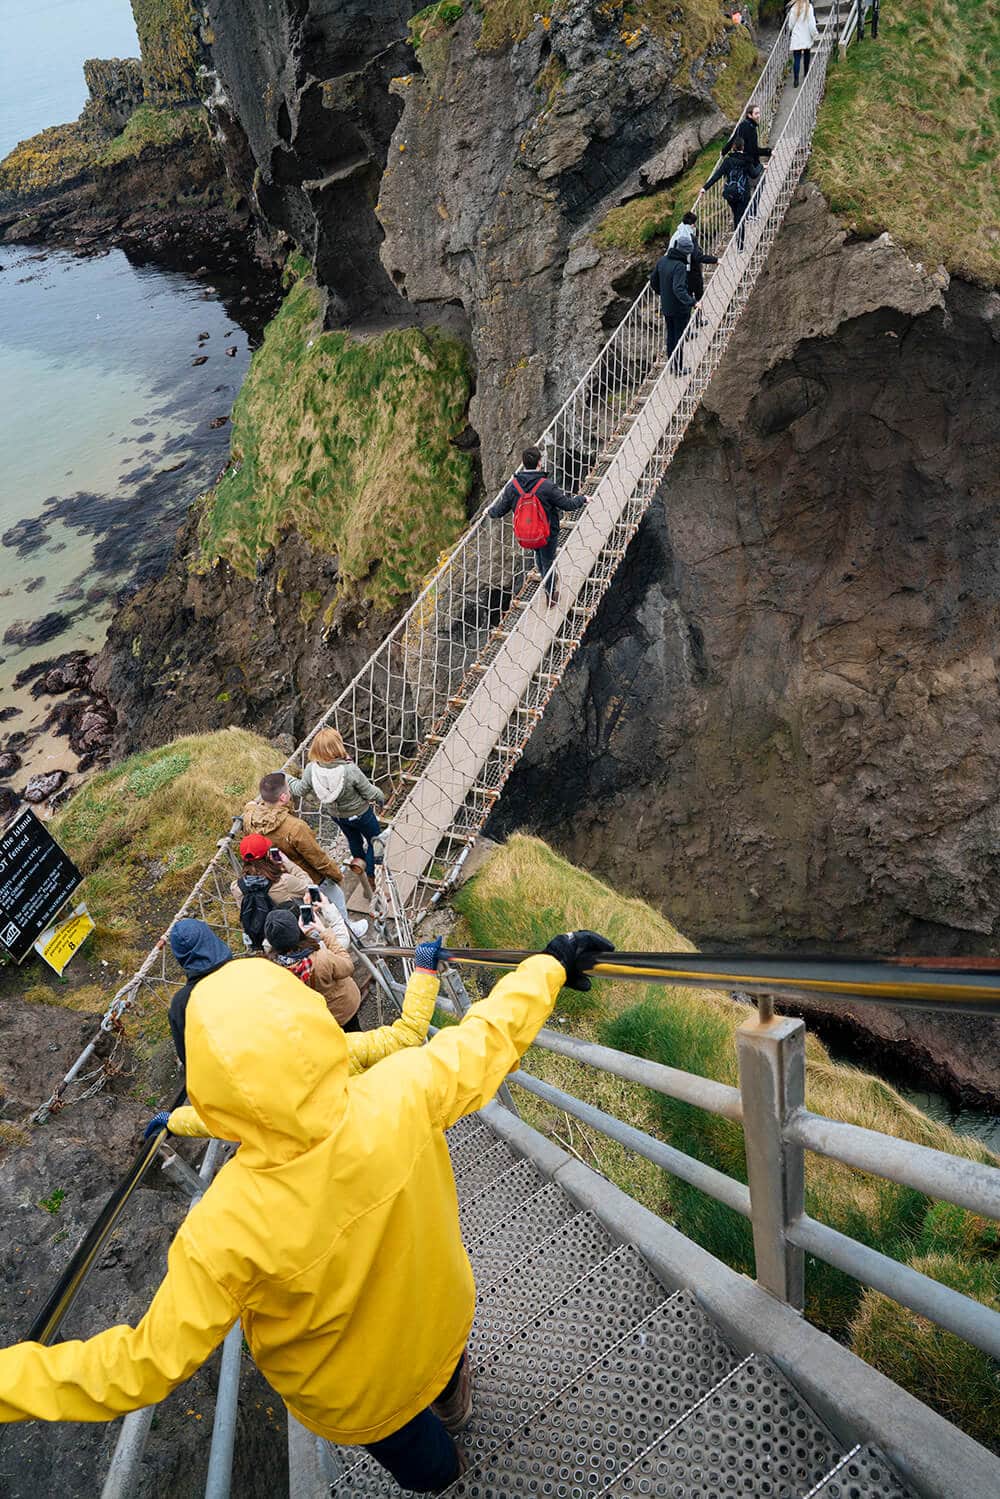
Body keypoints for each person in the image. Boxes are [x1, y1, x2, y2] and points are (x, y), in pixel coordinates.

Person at [0, 928, 615, 1494]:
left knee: (430, 1469)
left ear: (206, 1084)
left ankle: (451, 1477)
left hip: (359, 1398)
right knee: (447, 1372)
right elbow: (489, 1036)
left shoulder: (223, 1230)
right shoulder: (405, 1090)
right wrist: (550, 964)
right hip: (439, 1316)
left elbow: (140, 1368)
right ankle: (456, 1401)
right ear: (305, 1018)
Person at [157, 958, 439, 1140]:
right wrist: (425, 972)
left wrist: (172, 1121)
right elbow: (407, 1035)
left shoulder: (254, 1106)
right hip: (378, 1132)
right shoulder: (341, 1048)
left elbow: (215, 1122)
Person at [242, 772, 349, 919]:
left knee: (306, 911)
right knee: (337, 899)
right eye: (288, 789)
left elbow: (249, 808)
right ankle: (348, 931)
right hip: (312, 878)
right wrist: (336, 875)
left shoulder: (251, 818)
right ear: (284, 797)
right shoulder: (295, 827)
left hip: (280, 879)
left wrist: (251, 805)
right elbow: (317, 858)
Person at [488, 447, 587, 606]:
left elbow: (500, 510)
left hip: (527, 534)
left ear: (523, 464)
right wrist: (582, 499)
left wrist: (488, 512)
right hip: (547, 533)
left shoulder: (513, 487)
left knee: (540, 557)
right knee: (547, 561)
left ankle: (548, 578)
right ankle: (551, 594)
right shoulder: (546, 486)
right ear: (540, 463)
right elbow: (567, 505)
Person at [229, 833, 365, 948]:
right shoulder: (283, 881)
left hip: (268, 936)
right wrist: (287, 862)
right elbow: (309, 885)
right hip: (296, 932)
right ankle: (347, 931)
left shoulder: (236, 887)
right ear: (267, 854)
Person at [287, 728, 386, 882]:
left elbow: (300, 789)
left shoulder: (311, 769)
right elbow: (370, 793)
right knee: (376, 840)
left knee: (354, 840)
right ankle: (372, 874)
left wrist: (286, 778)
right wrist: (381, 799)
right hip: (361, 814)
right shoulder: (349, 770)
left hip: (338, 816)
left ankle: (359, 863)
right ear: (338, 746)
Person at [262, 907, 362, 1031]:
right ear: (297, 931)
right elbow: (347, 966)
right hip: (343, 1009)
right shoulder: (321, 958)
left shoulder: (273, 967)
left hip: (317, 1019)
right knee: (355, 1034)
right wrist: (324, 932)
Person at [166, 919, 233, 1068]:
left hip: (227, 1077)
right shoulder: (252, 968)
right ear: (211, 939)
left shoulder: (181, 1004)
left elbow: (187, 1057)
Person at [650, 238, 699, 372]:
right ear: (686, 252)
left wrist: (662, 293)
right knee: (679, 338)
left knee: (670, 336)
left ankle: (672, 366)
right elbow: (679, 289)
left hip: (666, 307)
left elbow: (653, 281)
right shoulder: (680, 266)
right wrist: (693, 302)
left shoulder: (662, 261)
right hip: (679, 309)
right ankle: (678, 368)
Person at [703, 138, 753, 249]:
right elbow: (753, 174)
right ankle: (740, 246)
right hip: (743, 194)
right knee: (740, 218)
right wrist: (761, 167)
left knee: (736, 215)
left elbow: (716, 175)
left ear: (733, 148)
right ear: (743, 147)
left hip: (730, 194)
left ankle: (738, 242)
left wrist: (704, 188)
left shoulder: (727, 161)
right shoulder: (746, 160)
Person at [667, 212, 719, 308]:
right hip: (692, 271)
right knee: (699, 296)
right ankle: (699, 319)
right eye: (695, 224)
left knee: (687, 296)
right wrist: (715, 260)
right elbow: (697, 257)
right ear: (692, 224)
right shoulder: (690, 238)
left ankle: (692, 320)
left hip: (679, 271)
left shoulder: (677, 234)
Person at [787, 0, 820, 84]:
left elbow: (791, 25)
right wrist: (814, 34)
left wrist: (793, 30)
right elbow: (811, 24)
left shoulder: (793, 8)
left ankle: (796, 80)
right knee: (806, 55)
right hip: (806, 35)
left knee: (797, 58)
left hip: (797, 36)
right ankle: (806, 73)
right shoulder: (809, 7)